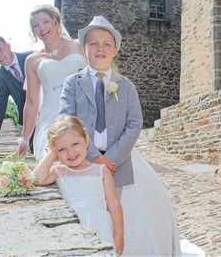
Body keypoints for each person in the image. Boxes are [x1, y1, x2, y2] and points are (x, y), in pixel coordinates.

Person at [59, 15, 181, 256]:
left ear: (115, 50)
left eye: (106, 43)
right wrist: (94, 156)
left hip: (121, 162)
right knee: (93, 212)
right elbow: (67, 120)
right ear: (84, 49)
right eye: (93, 43)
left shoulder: (125, 86)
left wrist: (112, 158)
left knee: (124, 213)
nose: (100, 48)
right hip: (85, 162)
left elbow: (135, 124)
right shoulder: (72, 84)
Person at [33, 115, 124, 254]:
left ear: (86, 141)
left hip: (99, 226)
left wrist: (119, 237)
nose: (70, 153)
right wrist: (51, 154)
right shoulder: (59, 171)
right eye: (62, 149)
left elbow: (114, 205)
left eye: (75, 144)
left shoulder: (101, 171)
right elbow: (38, 178)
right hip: (71, 227)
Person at [17, 5, 87, 160]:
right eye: (36, 25)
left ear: (56, 22)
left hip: (84, 110)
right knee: (54, 158)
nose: (41, 28)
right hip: (51, 116)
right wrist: (24, 138)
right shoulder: (32, 61)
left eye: (45, 21)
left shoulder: (81, 45)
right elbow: (31, 102)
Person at [0, 36, 33, 149]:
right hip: (29, 124)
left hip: (51, 112)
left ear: (8, 46)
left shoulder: (31, 56)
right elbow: (0, 105)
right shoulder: (0, 77)